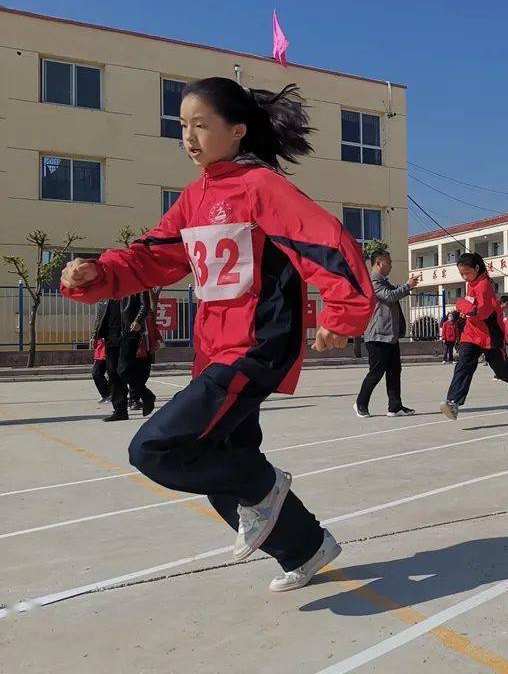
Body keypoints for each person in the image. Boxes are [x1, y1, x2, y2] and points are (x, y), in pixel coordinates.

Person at [60, 77, 374, 592]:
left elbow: (326, 243)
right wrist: (99, 273)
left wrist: (341, 314)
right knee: (221, 456)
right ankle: (305, 546)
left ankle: (264, 488)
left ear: (237, 132)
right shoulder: (196, 197)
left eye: (201, 125)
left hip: (256, 344)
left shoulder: (262, 186)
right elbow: (155, 255)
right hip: (213, 348)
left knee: (158, 449)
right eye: (182, 126)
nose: (189, 136)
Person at [441, 253, 508, 419]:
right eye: (461, 274)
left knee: (501, 370)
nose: (464, 277)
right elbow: (471, 310)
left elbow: (479, 312)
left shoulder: (484, 285)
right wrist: (464, 305)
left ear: (477, 268)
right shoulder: (471, 283)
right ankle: (453, 403)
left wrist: (460, 303)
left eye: (467, 273)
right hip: (472, 333)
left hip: (490, 335)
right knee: (463, 366)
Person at [354, 250, 418, 418]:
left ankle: (394, 406)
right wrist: (408, 286)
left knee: (394, 371)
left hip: (390, 335)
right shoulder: (373, 281)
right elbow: (389, 296)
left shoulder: (384, 282)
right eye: (389, 262)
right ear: (379, 263)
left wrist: (407, 285)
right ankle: (360, 403)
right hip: (377, 335)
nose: (391, 265)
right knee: (376, 371)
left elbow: (394, 290)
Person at [92, 292, 155, 421]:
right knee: (113, 372)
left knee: (124, 369)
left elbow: (145, 305)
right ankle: (120, 410)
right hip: (109, 333)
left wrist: (138, 320)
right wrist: (95, 334)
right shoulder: (107, 286)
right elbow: (101, 312)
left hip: (129, 331)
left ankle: (145, 394)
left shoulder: (135, 282)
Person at [90, 336, 110, 403]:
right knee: (96, 373)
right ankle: (106, 394)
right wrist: (93, 338)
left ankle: (111, 394)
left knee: (113, 375)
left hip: (111, 349)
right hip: (101, 351)